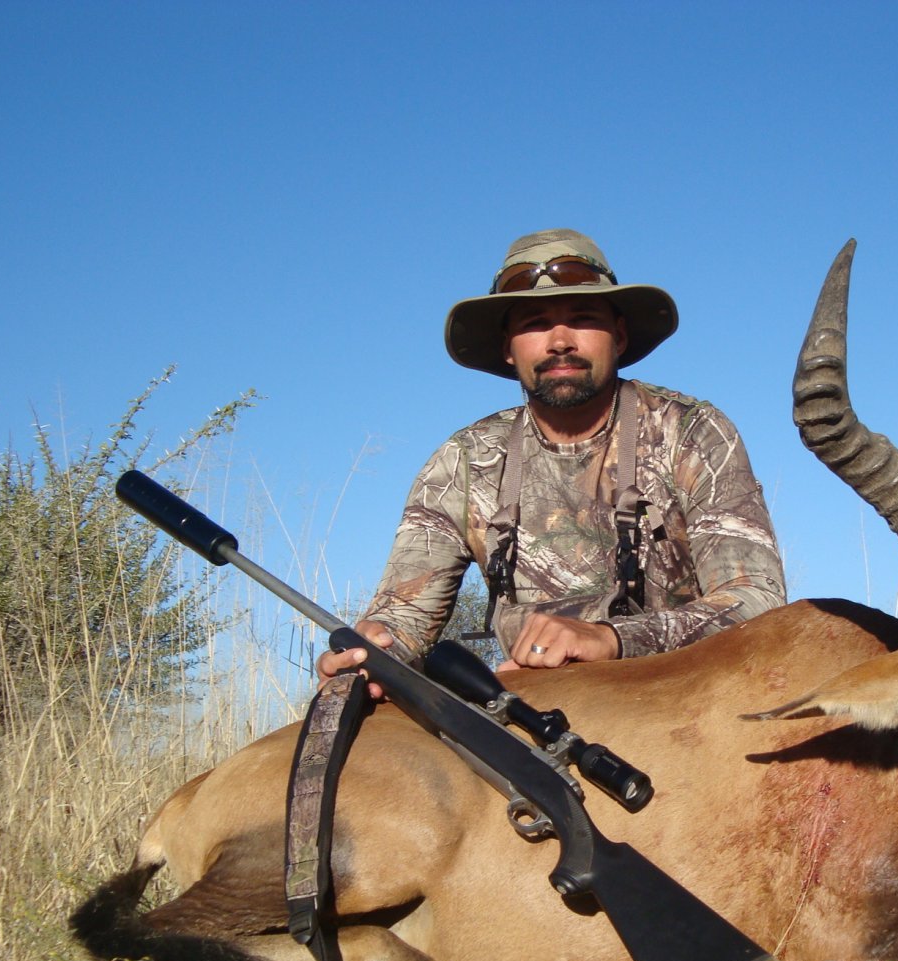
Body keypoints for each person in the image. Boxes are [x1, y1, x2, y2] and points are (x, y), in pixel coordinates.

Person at [318, 228, 785, 689]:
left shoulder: (692, 432)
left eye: (583, 317)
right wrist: (376, 649)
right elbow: (403, 619)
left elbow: (756, 601)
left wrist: (611, 639)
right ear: (508, 348)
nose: (560, 341)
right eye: (534, 323)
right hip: (534, 705)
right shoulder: (464, 460)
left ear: (619, 336)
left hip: (690, 691)